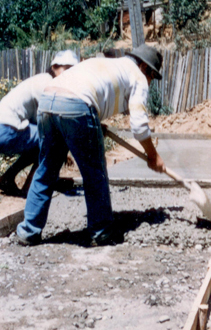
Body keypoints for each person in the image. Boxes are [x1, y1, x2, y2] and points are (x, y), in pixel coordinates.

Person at [15, 44, 166, 247]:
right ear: (144, 68)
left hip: (48, 101)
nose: (150, 82)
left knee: (46, 168)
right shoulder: (138, 77)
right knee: (94, 171)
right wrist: (153, 155)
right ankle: (100, 231)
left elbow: (91, 91)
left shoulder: (109, 65)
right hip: (77, 104)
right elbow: (139, 126)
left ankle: (28, 231)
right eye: (152, 76)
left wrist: (92, 121)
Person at [0, 50, 80, 196]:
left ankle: (7, 178)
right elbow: (56, 123)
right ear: (54, 67)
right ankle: (31, 189)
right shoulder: (47, 84)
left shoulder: (42, 80)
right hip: (2, 131)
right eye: (66, 70)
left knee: (42, 141)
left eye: (73, 71)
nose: (68, 75)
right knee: (55, 139)